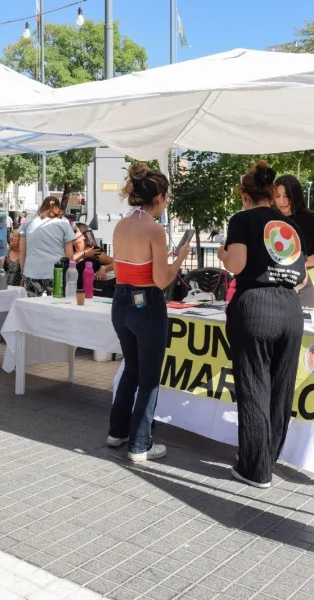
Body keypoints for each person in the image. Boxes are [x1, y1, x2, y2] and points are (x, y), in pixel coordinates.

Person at [218, 161, 307, 489]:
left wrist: (223, 255)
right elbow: (302, 276)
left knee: (254, 387)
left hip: (254, 305)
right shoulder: (289, 225)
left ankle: (254, 469)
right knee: (280, 390)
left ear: (244, 194)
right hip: (290, 308)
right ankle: (267, 458)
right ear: (271, 193)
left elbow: (238, 263)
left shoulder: (241, 220)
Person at [109, 163, 190, 463]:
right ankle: (140, 444)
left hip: (121, 301)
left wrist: (163, 260)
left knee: (131, 368)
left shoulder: (122, 224)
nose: (167, 201)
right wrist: (179, 259)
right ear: (157, 195)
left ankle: (117, 431)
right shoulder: (154, 228)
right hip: (147, 305)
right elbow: (162, 280)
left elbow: (124, 268)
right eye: (167, 195)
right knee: (149, 378)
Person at [274, 175, 314, 310]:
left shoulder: (311, 219)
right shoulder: (272, 219)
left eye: (286, 196)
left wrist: (297, 263)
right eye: (277, 196)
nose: (282, 201)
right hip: (280, 282)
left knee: (306, 327)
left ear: (296, 196)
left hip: (309, 284)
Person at [18, 196, 75, 297]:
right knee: (55, 307)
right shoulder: (63, 222)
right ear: (58, 207)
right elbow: (69, 255)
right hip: (56, 272)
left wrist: (23, 271)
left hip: (32, 271)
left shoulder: (28, 220)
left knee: (32, 307)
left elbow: (22, 249)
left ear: (42, 206)